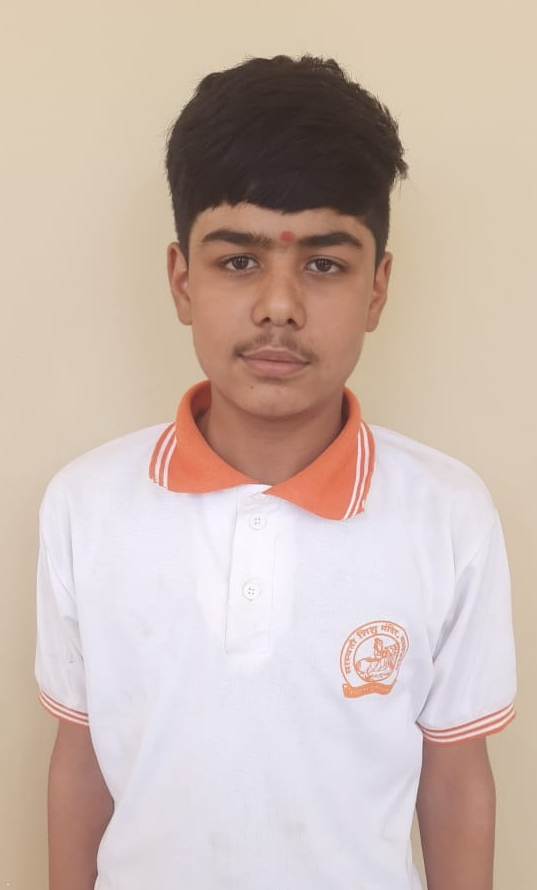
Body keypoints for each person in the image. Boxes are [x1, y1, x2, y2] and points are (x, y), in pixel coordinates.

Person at [34, 53, 517, 890]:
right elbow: (80, 762)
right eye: (238, 262)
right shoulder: (87, 505)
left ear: (377, 289)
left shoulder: (447, 513)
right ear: (181, 281)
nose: (279, 307)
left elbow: (453, 780)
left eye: (324, 264)